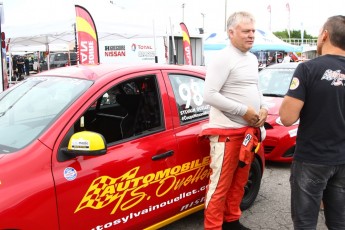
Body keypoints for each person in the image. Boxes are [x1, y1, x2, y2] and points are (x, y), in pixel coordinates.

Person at [200, 11, 268, 230]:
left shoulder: (252, 58)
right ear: (231, 32)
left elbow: (255, 89)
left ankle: (231, 221)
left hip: (247, 134)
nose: (251, 35)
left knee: (240, 182)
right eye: (246, 31)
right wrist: (244, 111)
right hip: (226, 134)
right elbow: (209, 95)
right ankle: (213, 227)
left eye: (253, 31)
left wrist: (263, 108)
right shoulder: (222, 58)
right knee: (220, 185)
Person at [279, 15, 345, 230]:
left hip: (312, 159)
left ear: (325, 35)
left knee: (305, 222)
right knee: (340, 222)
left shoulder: (308, 69)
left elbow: (287, 118)